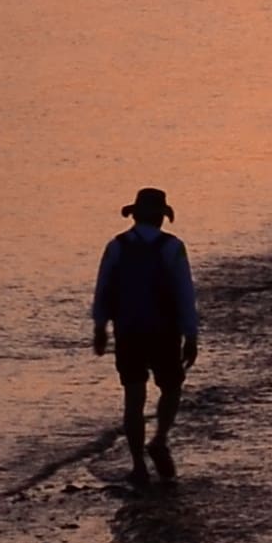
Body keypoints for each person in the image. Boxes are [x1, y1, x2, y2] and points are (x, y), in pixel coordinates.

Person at [89, 187, 200, 480]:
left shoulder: (117, 246)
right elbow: (184, 294)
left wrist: (100, 327)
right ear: (162, 218)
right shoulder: (172, 247)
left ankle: (138, 464)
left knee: (133, 397)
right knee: (172, 387)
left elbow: (103, 288)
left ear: (135, 215)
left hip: (128, 331)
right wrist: (191, 335)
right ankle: (160, 439)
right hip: (164, 331)